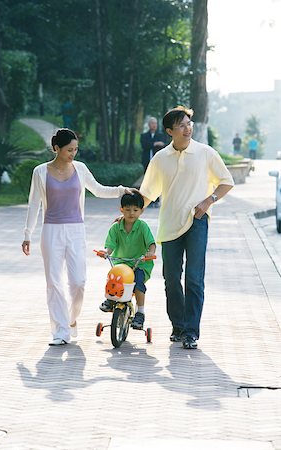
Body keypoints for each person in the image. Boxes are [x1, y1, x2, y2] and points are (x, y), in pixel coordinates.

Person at [22, 128, 131, 346]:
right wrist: (27, 235)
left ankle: (71, 320)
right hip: (51, 230)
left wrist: (121, 191)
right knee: (54, 282)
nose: (73, 153)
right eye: (69, 150)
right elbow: (34, 204)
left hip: (76, 231)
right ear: (56, 148)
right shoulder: (40, 172)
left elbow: (98, 190)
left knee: (78, 282)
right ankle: (60, 331)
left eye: (75, 149)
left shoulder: (80, 169)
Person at [140, 106, 234, 349]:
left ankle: (191, 331)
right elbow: (147, 193)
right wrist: (129, 216)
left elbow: (226, 182)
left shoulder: (205, 153)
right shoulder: (160, 158)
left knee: (194, 278)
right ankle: (178, 326)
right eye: (181, 125)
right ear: (170, 131)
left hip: (197, 221)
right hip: (170, 224)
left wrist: (208, 200)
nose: (187, 128)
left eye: (189, 124)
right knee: (171, 279)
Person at [98, 192, 156, 330]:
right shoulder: (116, 227)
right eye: (128, 210)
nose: (131, 213)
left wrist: (150, 253)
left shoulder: (142, 227)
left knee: (138, 284)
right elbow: (110, 245)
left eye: (136, 210)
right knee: (113, 278)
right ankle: (111, 299)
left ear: (141, 211)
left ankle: (140, 312)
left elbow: (152, 244)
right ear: (121, 210)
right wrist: (106, 252)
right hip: (122, 264)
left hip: (140, 264)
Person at [140, 117, 166, 207]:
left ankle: (156, 200)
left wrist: (152, 144)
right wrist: (155, 144)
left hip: (157, 162)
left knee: (157, 180)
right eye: (152, 123)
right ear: (149, 125)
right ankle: (148, 201)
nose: (154, 125)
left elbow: (163, 145)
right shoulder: (144, 135)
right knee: (147, 181)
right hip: (146, 161)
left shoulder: (160, 135)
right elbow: (145, 145)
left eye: (155, 123)